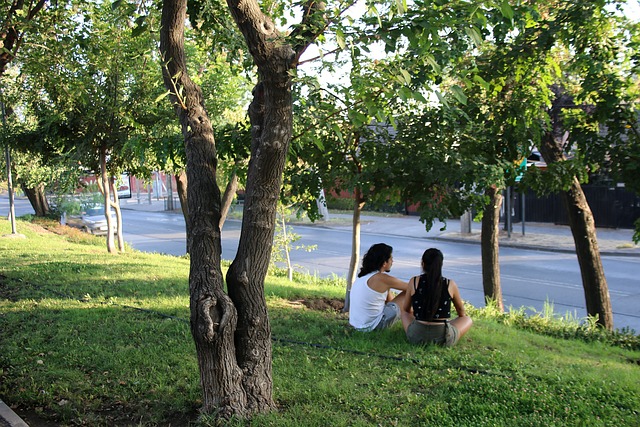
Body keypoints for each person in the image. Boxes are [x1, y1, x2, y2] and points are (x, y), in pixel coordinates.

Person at [401, 248, 472, 346]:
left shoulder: (414, 281)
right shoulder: (449, 284)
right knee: (467, 319)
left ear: (423, 263)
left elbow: (406, 309)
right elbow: (461, 312)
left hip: (416, 336)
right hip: (443, 338)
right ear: (441, 265)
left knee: (404, 313)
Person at [349, 243, 409, 332]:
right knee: (410, 292)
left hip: (357, 326)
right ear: (384, 263)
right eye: (391, 258)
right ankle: (414, 325)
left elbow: (390, 302)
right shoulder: (382, 278)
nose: (392, 261)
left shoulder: (362, 277)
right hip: (373, 327)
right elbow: (412, 287)